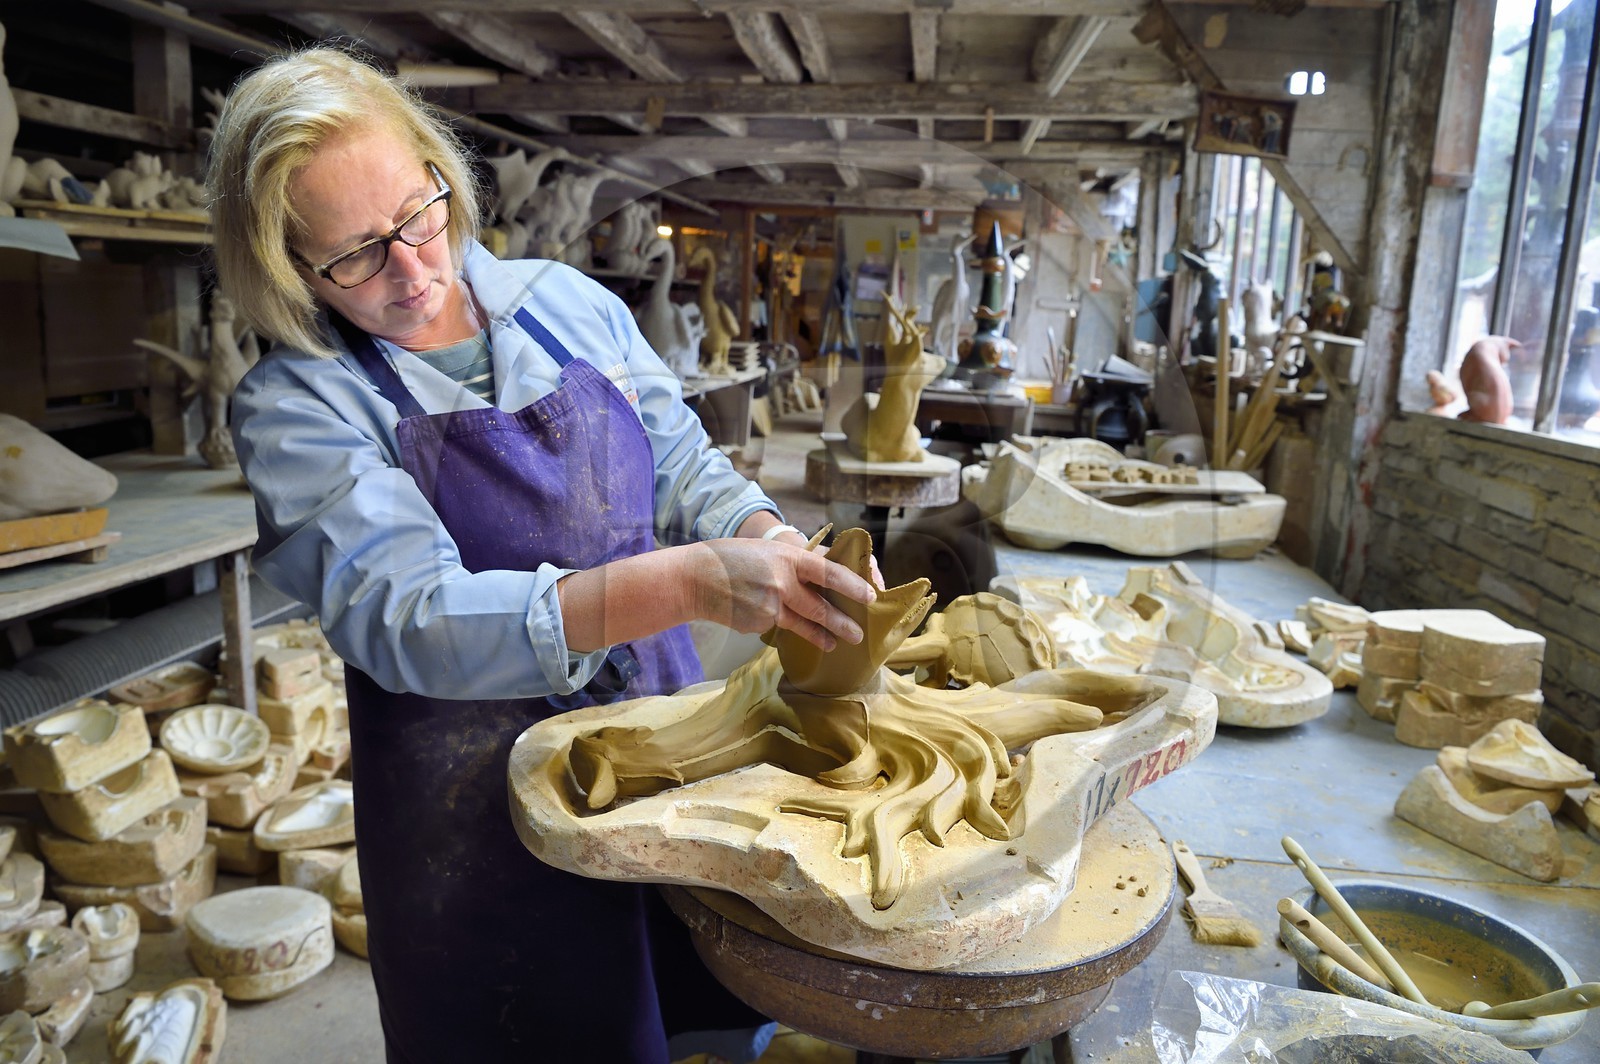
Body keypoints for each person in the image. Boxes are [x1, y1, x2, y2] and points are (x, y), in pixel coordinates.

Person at [208, 47, 877, 1064]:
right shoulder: (297, 405)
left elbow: (680, 464)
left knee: (692, 1007)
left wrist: (770, 538)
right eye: (356, 254)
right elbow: (411, 618)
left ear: (441, 172)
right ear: (288, 267)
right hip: (473, 813)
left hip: (667, 755)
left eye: (419, 214)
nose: (413, 268)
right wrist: (690, 581)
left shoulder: (570, 304)